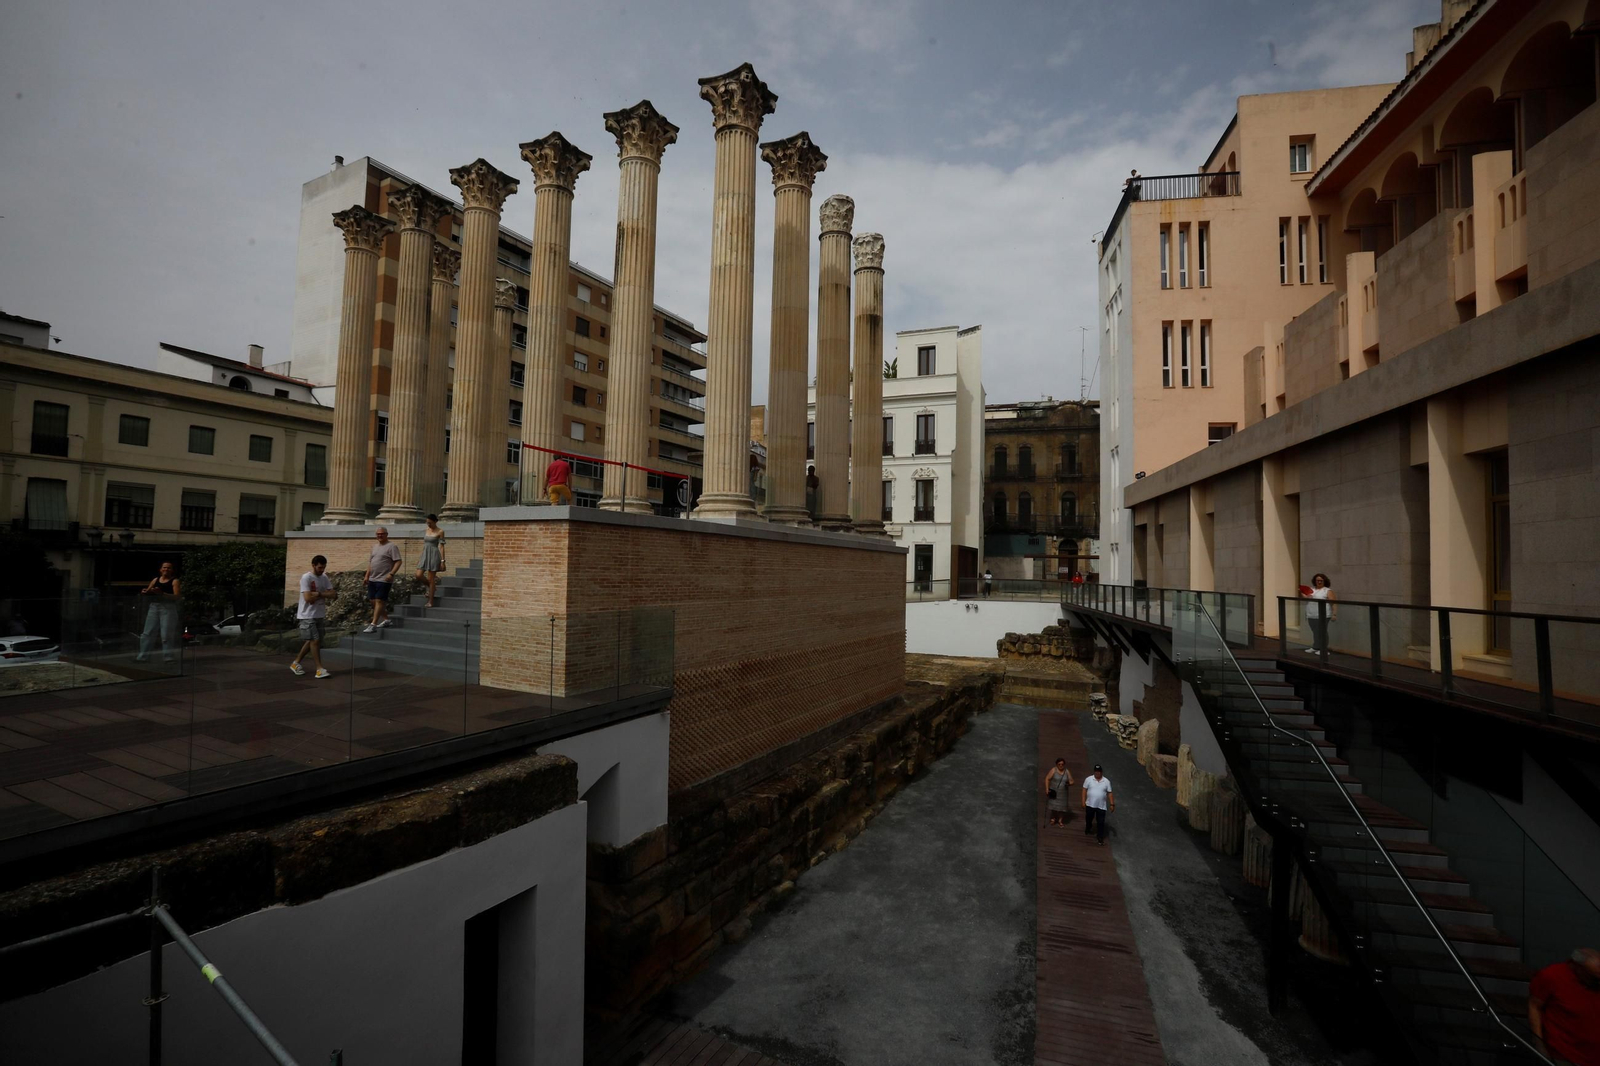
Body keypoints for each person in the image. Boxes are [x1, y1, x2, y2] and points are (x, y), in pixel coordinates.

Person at [1529, 948, 1600, 1065]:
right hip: (1565, 1055)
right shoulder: (1552, 976)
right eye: (1594, 977)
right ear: (1578, 967)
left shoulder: (1593, 982)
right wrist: (1539, 1042)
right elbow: (1534, 1006)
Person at [290, 555, 333, 678]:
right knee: (315, 640)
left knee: (312, 641)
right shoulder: (306, 577)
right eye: (320, 567)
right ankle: (319, 669)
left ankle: (296, 663)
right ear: (313, 565)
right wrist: (324, 595)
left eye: (323, 567)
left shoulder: (324, 577)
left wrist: (318, 594)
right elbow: (308, 598)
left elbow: (334, 594)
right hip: (307, 614)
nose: (322, 570)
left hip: (318, 614)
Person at [135, 561, 182, 663]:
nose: (166, 569)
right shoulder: (155, 580)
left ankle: (168, 657)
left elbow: (177, 596)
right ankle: (143, 657)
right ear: (160, 570)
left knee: (166, 634)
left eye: (169, 568)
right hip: (154, 607)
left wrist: (162, 594)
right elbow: (148, 591)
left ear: (172, 570)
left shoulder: (175, 581)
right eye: (164, 567)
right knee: (147, 633)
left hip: (168, 608)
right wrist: (145, 592)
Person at [362, 526, 402, 634]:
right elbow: (371, 563)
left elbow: (398, 561)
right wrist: (366, 576)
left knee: (379, 600)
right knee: (373, 601)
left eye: (382, 534)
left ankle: (373, 624)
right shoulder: (374, 547)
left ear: (386, 534)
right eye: (378, 534)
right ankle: (386, 619)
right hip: (372, 578)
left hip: (384, 579)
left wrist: (392, 573)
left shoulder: (392, 546)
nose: (380, 536)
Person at [416, 514, 446, 608]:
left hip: (434, 554)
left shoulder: (440, 531)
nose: (428, 524)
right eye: (427, 522)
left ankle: (430, 601)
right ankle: (432, 588)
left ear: (435, 521)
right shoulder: (427, 530)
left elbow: (441, 547)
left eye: (430, 522)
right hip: (425, 554)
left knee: (431, 578)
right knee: (418, 575)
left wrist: (442, 561)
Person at [1302, 573, 1336, 654]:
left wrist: (1334, 614)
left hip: (1323, 614)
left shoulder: (1327, 591)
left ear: (1324, 581)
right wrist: (1303, 593)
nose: (1319, 582)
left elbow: (1333, 603)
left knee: (1322, 631)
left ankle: (1324, 649)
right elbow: (1306, 598)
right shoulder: (1311, 590)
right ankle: (1316, 646)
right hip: (1311, 614)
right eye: (1317, 580)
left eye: (1321, 580)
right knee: (1315, 631)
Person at [1082, 764, 1114, 845]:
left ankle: (1100, 837)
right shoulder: (1088, 779)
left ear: (1101, 772)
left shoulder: (1106, 781)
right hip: (1090, 804)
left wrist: (1112, 804)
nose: (1097, 773)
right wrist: (1083, 801)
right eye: (1096, 771)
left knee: (1101, 822)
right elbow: (1084, 790)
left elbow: (1109, 793)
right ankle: (1088, 828)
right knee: (1089, 818)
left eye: (1099, 771)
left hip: (1101, 806)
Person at [1044, 758, 1075, 828]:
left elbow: (1072, 781)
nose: (1061, 765)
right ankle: (1053, 818)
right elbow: (1047, 778)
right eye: (1059, 764)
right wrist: (1046, 788)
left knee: (1062, 807)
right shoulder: (1053, 770)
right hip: (1054, 791)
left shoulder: (1066, 771)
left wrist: (1069, 783)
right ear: (1056, 764)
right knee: (1053, 806)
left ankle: (1060, 821)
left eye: (1062, 764)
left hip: (1063, 793)